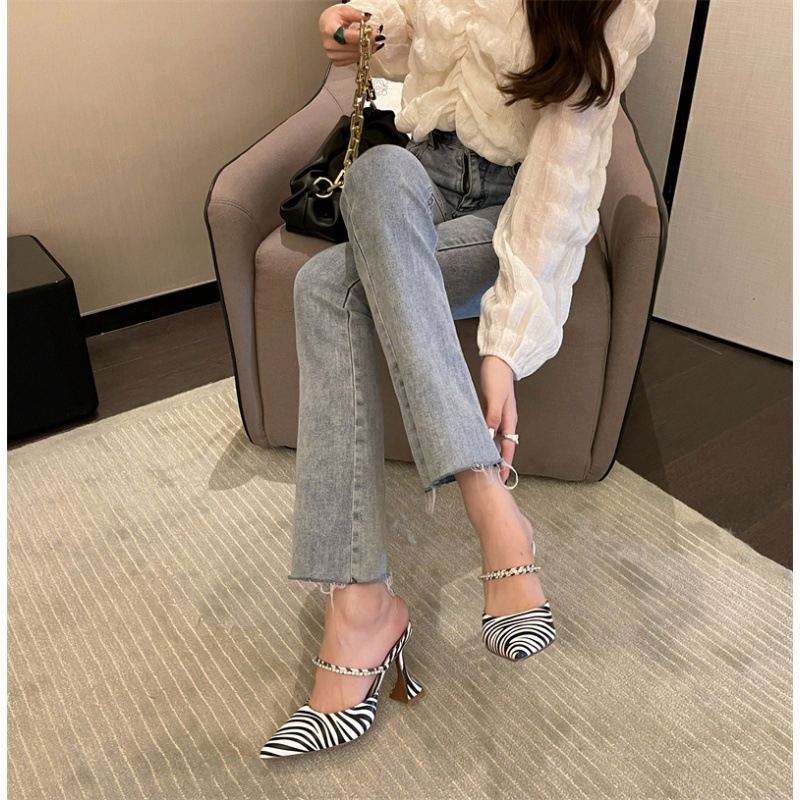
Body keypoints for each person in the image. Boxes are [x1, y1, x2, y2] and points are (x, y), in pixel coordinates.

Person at [260, 0, 658, 759]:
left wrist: (504, 346)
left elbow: (562, 181)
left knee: (323, 288)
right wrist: (358, 30)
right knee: (377, 171)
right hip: (421, 177)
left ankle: (367, 607)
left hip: (512, 208)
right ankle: (485, 504)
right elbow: (407, 37)